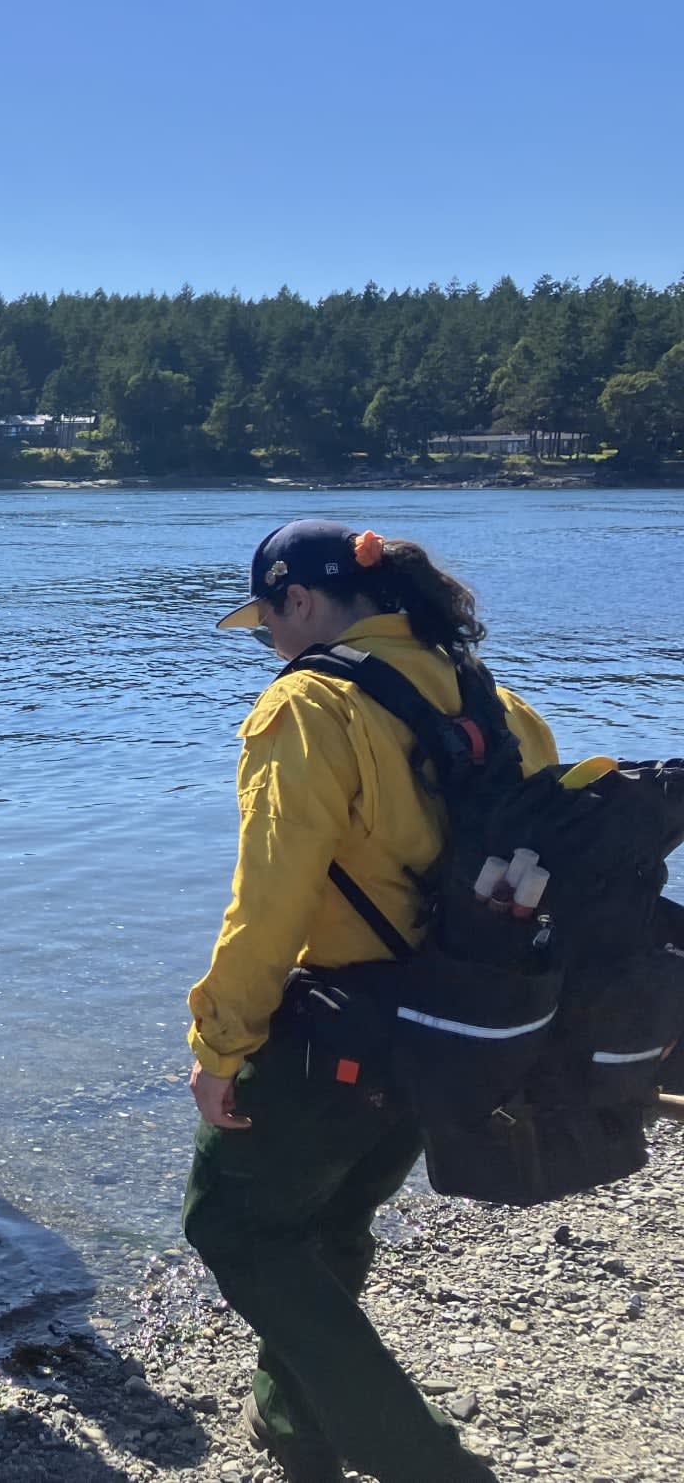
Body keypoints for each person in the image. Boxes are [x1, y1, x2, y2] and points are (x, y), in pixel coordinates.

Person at [183, 520, 558, 1483]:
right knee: (335, 1220)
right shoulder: (500, 705)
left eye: (269, 623)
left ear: (300, 600)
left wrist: (219, 1046)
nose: (268, 646)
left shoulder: (309, 705)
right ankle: (293, 1423)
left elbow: (271, 900)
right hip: (459, 1028)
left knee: (229, 1223)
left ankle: (428, 1462)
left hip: (339, 1033)